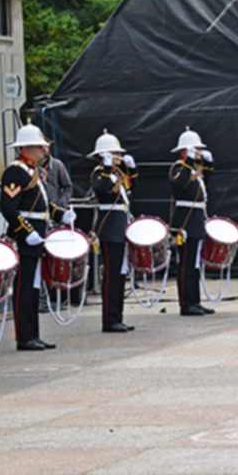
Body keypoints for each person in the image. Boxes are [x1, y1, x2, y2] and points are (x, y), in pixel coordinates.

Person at [0, 122, 74, 350]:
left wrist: (62, 215)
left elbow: (44, 206)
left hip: (37, 238)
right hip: (25, 239)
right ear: (26, 148)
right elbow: (9, 209)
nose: (44, 150)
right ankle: (24, 336)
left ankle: (33, 333)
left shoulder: (34, 171)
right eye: (40, 147)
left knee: (33, 288)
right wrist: (27, 232)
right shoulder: (15, 171)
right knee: (24, 288)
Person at [89, 129, 138, 332]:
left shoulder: (118, 173)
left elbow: (130, 192)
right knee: (111, 276)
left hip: (121, 227)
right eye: (114, 154)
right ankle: (109, 319)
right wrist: (107, 168)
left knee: (120, 275)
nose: (118, 156)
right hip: (110, 229)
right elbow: (102, 189)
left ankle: (117, 316)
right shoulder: (99, 173)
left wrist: (132, 170)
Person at [169, 127, 215, 316]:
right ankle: (186, 304)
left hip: (196, 219)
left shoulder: (193, 168)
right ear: (186, 150)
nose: (198, 152)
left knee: (194, 265)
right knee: (186, 264)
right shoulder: (178, 168)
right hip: (185, 221)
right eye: (195, 149)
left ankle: (195, 300)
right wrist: (189, 160)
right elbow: (181, 183)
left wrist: (209, 164)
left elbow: (205, 181)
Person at [38, 153, 74, 312]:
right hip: (38, 216)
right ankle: (41, 297)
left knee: (55, 258)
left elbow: (68, 186)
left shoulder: (57, 165)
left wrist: (61, 205)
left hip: (55, 216)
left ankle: (56, 296)